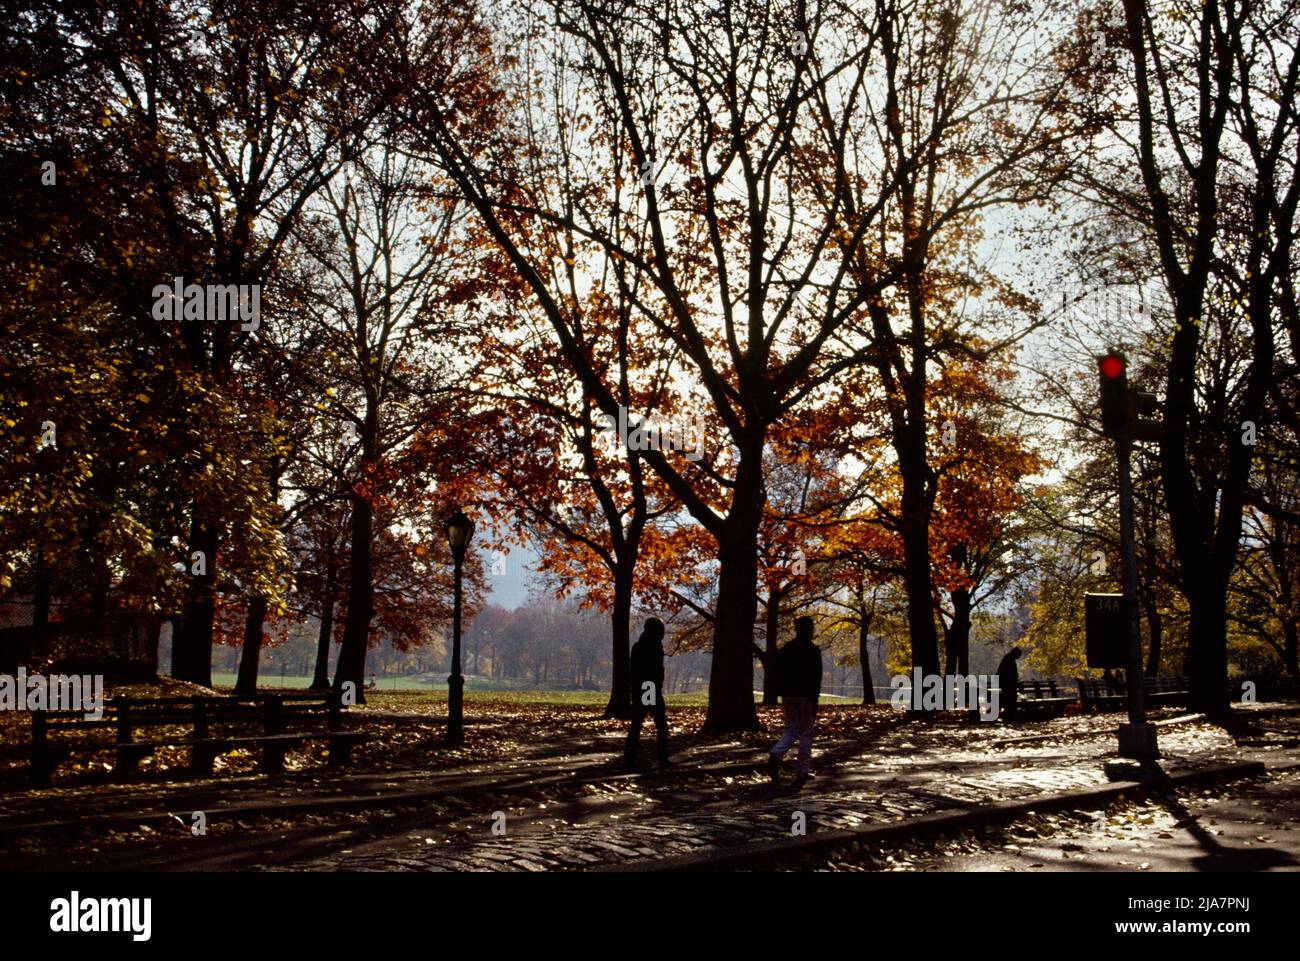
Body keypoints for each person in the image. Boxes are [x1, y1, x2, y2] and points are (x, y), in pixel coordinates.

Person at [768, 617, 822, 789]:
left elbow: (778, 672)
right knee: (806, 734)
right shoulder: (813, 650)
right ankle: (802, 772)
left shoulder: (786, 649)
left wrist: (779, 692)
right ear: (809, 630)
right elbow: (816, 677)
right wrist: (815, 699)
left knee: (790, 730)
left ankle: (776, 754)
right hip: (806, 696)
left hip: (789, 695)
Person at [622, 618, 672, 771]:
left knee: (637, 725)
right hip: (650, 688)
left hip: (642, 688)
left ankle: (629, 760)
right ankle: (663, 760)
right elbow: (655, 671)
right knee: (660, 726)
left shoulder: (639, 646)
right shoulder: (654, 646)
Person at [993, 647, 1023, 721]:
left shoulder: (1009, 658)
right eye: (1018, 655)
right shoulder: (1009, 660)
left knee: (1009, 698)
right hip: (1006, 684)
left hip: (1006, 683)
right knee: (1010, 699)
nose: (1018, 657)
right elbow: (1009, 674)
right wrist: (1015, 682)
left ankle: (1007, 715)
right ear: (1015, 653)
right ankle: (1008, 715)